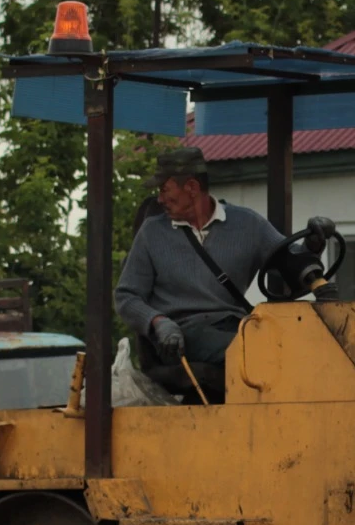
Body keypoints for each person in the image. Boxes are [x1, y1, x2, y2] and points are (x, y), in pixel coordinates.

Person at [114, 146, 287, 365]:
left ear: (192, 187)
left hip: (237, 325)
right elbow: (126, 296)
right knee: (255, 350)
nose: (159, 199)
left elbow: (290, 258)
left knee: (291, 344)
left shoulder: (248, 223)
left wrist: (313, 243)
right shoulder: (152, 233)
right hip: (183, 334)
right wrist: (158, 322)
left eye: (164, 189)